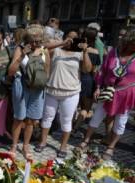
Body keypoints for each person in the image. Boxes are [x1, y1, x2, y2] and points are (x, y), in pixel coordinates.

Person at [78, 27, 135, 160]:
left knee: (120, 122)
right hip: (107, 91)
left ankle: (111, 147)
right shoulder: (113, 52)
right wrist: (98, 87)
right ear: (129, 41)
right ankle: (86, 140)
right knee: (97, 116)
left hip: (126, 94)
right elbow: (103, 71)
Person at [36, 30, 92, 158]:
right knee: (47, 118)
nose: (71, 40)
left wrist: (85, 51)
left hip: (71, 93)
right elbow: (43, 48)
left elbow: (87, 69)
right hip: (52, 90)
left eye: (74, 38)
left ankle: (63, 146)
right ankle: (43, 141)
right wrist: (62, 43)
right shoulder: (56, 50)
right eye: (69, 37)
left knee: (66, 121)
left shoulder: (79, 54)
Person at [7, 24, 50, 160]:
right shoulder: (20, 49)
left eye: (38, 40)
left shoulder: (45, 51)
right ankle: (14, 145)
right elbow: (11, 71)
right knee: (19, 118)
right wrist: (22, 56)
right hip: (21, 86)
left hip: (37, 90)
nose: (35, 43)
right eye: (32, 40)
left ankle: (25, 146)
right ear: (27, 38)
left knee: (31, 120)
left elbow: (47, 71)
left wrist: (41, 83)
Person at [73, 27, 101, 133]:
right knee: (86, 108)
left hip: (76, 78)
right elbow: (94, 70)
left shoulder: (77, 48)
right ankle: (75, 129)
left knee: (74, 106)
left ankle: (68, 126)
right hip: (89, 81)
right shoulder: (96, 52)